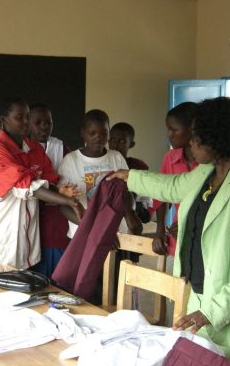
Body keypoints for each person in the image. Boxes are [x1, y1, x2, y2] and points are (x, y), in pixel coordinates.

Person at [108, 97, 230, 366]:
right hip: (202, 302)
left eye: (196, 137)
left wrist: (212, 311)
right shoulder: (206, 173)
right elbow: (174, 186)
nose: (190, 143)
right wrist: (129, 177)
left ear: (216, 140)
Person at [0, 97, 83, 269]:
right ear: (3, 120)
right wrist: (69, 201)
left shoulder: (35, 149)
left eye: (27, 116)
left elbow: (48, 181)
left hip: (25, 243)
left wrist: (61, 191)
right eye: (19, 117)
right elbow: (26, 186)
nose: (25, 122)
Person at [58, 109, 143, 240]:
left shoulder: (116, 157)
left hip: (117, 235)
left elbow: (127, 191)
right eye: (92, 133)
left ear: (109, 134)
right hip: (86, 236)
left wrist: (130, 212)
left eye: (103, 133)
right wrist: (93, 228)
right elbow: (63, 205)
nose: (98, 137)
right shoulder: (70, 161)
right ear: (83, 133)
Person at [28, 102, 72, 277]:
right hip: (31, 217)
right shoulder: (23, 149)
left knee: (60, 277)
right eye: (38, 123)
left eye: (48, 122)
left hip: (57, 220)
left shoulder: (63, 149)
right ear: (28, 123)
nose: (44, 127)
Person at [152, 102, 198, 266]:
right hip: (176, 237)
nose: (169, 135)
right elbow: (161, 196)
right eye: (168, 129)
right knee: (171, 284)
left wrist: (191, 225)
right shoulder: (170, 158)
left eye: (174, 130)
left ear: (192, 130)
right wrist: (159, 231)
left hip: (203, 239)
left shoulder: (210, 162)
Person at [108, 122, 151, 224]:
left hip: (131, 219)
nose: (115, 145)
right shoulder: (101, 164)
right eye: (112, 140)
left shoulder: (138, 166)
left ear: (131, 144)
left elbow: (147, 212)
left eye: (122, 141)